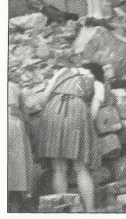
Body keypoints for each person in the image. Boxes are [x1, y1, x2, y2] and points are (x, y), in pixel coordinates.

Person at [38, 65, 103, 211]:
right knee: (81, 168)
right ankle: (90, 210)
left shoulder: (62, 71)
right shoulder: (98, 81)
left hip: (53, 110)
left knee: (58, 168)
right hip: (77, 111)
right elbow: (95, 106)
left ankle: (63, 210)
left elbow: (44, 98)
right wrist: (86, 124)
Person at [8, 81, 35, 212]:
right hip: (13, 124)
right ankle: (18, 202)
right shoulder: (12, 86)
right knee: (18, 165)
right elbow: (22, 108)